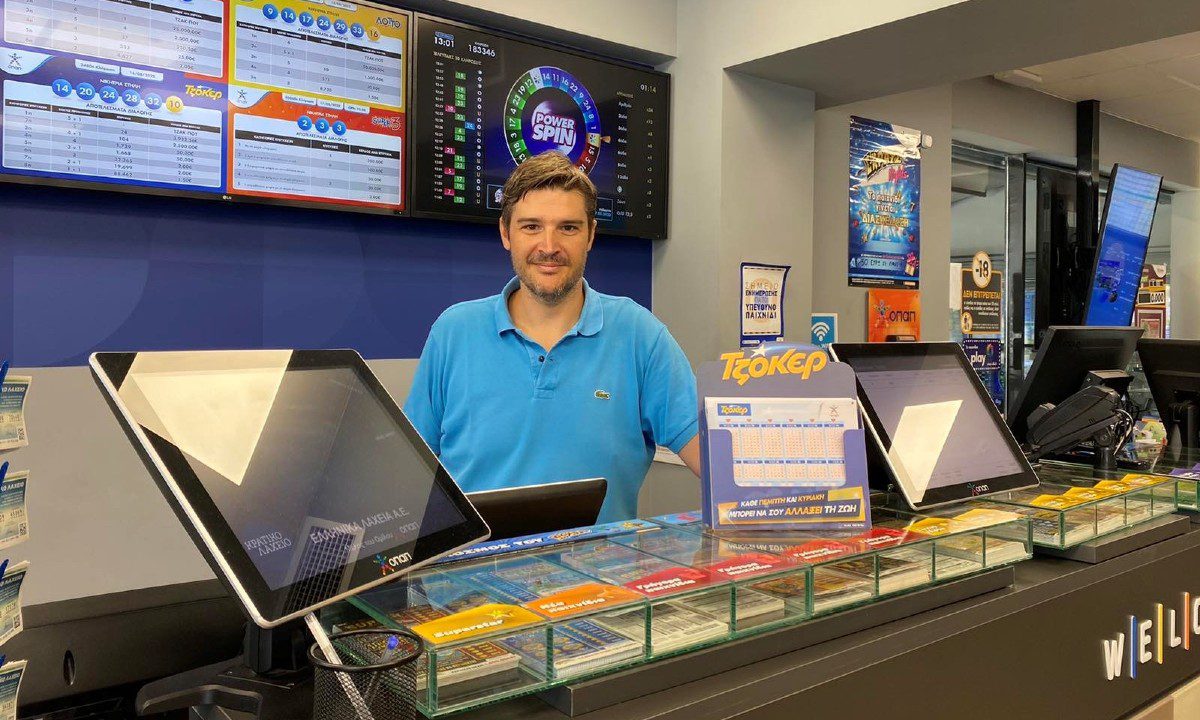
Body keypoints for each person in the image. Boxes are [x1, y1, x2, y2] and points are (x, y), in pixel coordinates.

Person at [404, 151, 700, 523]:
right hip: (473, 562)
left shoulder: (639, 334)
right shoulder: (453, 332)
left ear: (590, 235)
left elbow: (714, 459)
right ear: (505, 233)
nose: (549, 246)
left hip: (598, 562)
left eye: (568, 228)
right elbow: (409, 472)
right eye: (531, 227)